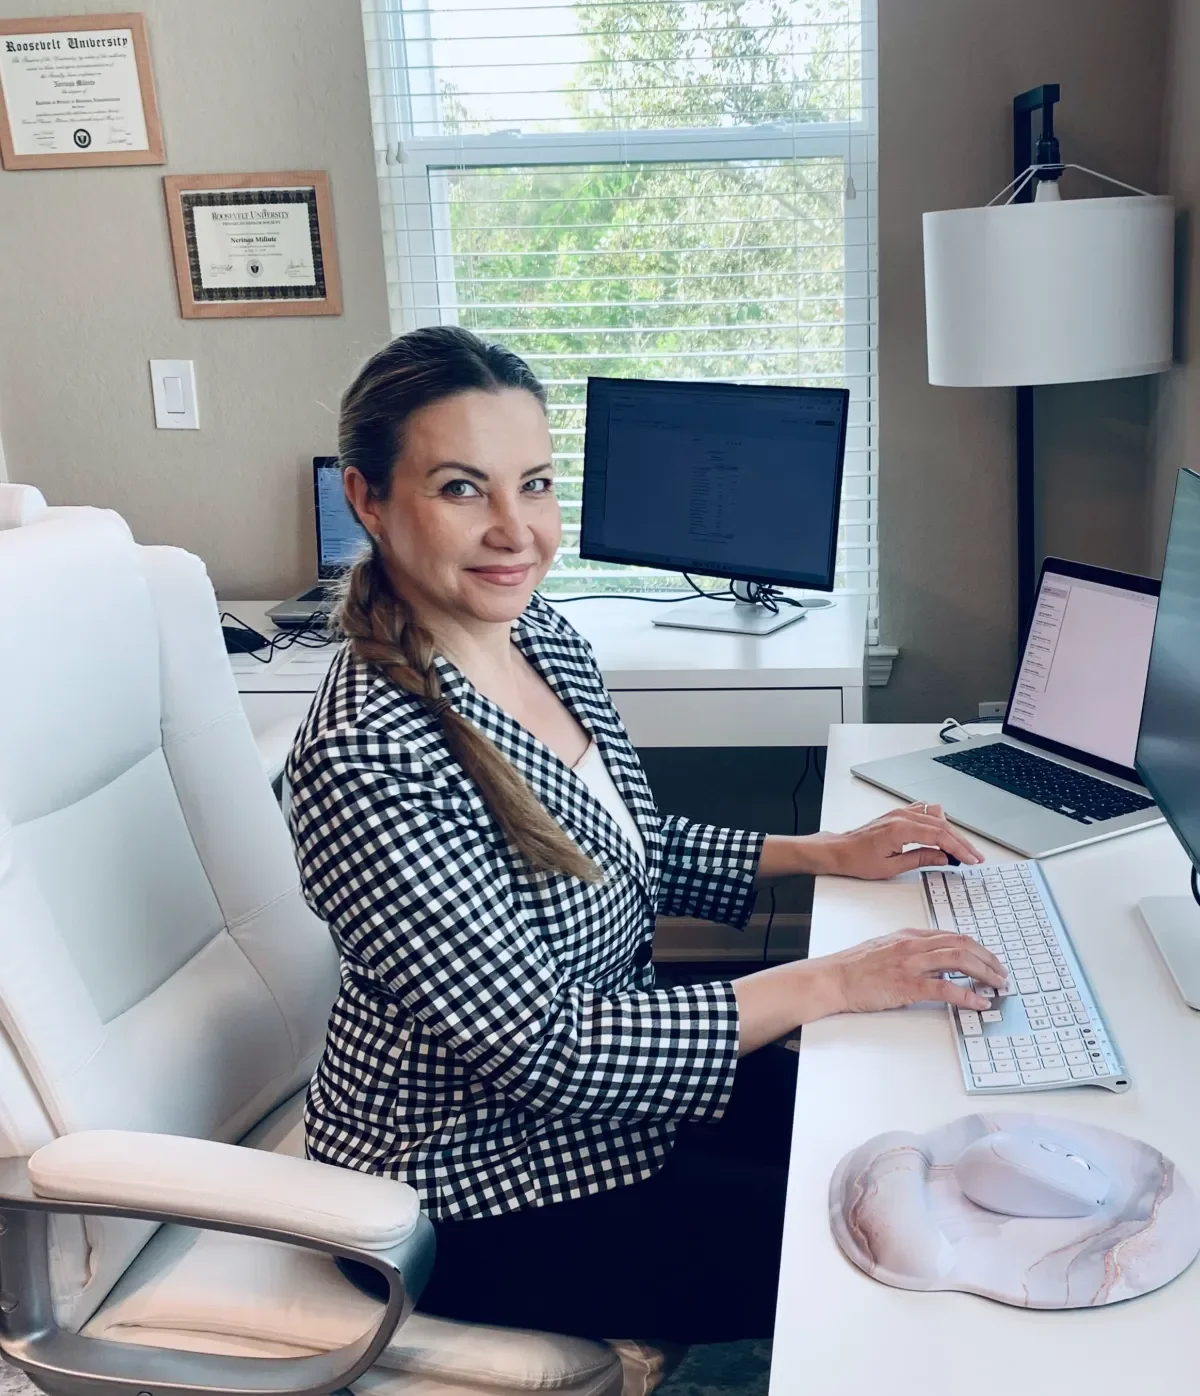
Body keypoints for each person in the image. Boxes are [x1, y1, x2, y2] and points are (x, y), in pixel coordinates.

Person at [284, 326, 1004, 1344]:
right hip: (468, 1186)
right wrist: (837, 977)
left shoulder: (539, 635)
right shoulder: (369, 757)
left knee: (890, 1134)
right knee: (887, 1254)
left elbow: (618, 840)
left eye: (533, 484)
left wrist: (821, 851)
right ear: (367, 498)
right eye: (461, 488)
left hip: (615, 1090)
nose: (515, 530)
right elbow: (546, 1045)